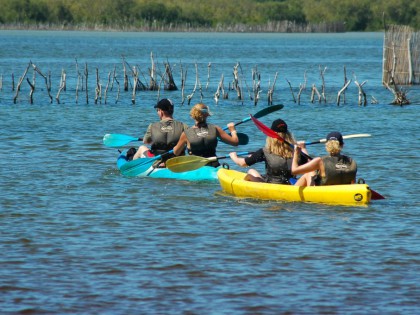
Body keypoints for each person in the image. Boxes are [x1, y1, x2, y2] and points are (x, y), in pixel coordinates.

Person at [229, 118, 309, 184]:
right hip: (292, 184)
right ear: (288, 135)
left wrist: (234, 156)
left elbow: (243, 163)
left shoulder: (265, 151)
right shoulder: (296, 152)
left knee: (251, 171)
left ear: (271, 135)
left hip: (271, 185)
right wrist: (304, 148)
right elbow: (309, 165)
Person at [172, 103, 239, 167]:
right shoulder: (215, 129)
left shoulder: (186, 133)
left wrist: (177, 147)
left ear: (193, 115)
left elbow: (176, 152)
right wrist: (232, 130)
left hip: (195, 167)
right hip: (213, 165)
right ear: (207, 114)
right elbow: (235, 142)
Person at [292, 131, 357, 186]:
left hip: (322, 194)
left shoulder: (320, 161)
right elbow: (353, 183)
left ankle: (292, 192)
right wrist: (303, 148)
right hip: (344, 192)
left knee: (309, 173)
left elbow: (294, 171)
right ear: (342, 145)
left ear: (327, 145)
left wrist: (296, 153)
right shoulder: (351, 162)